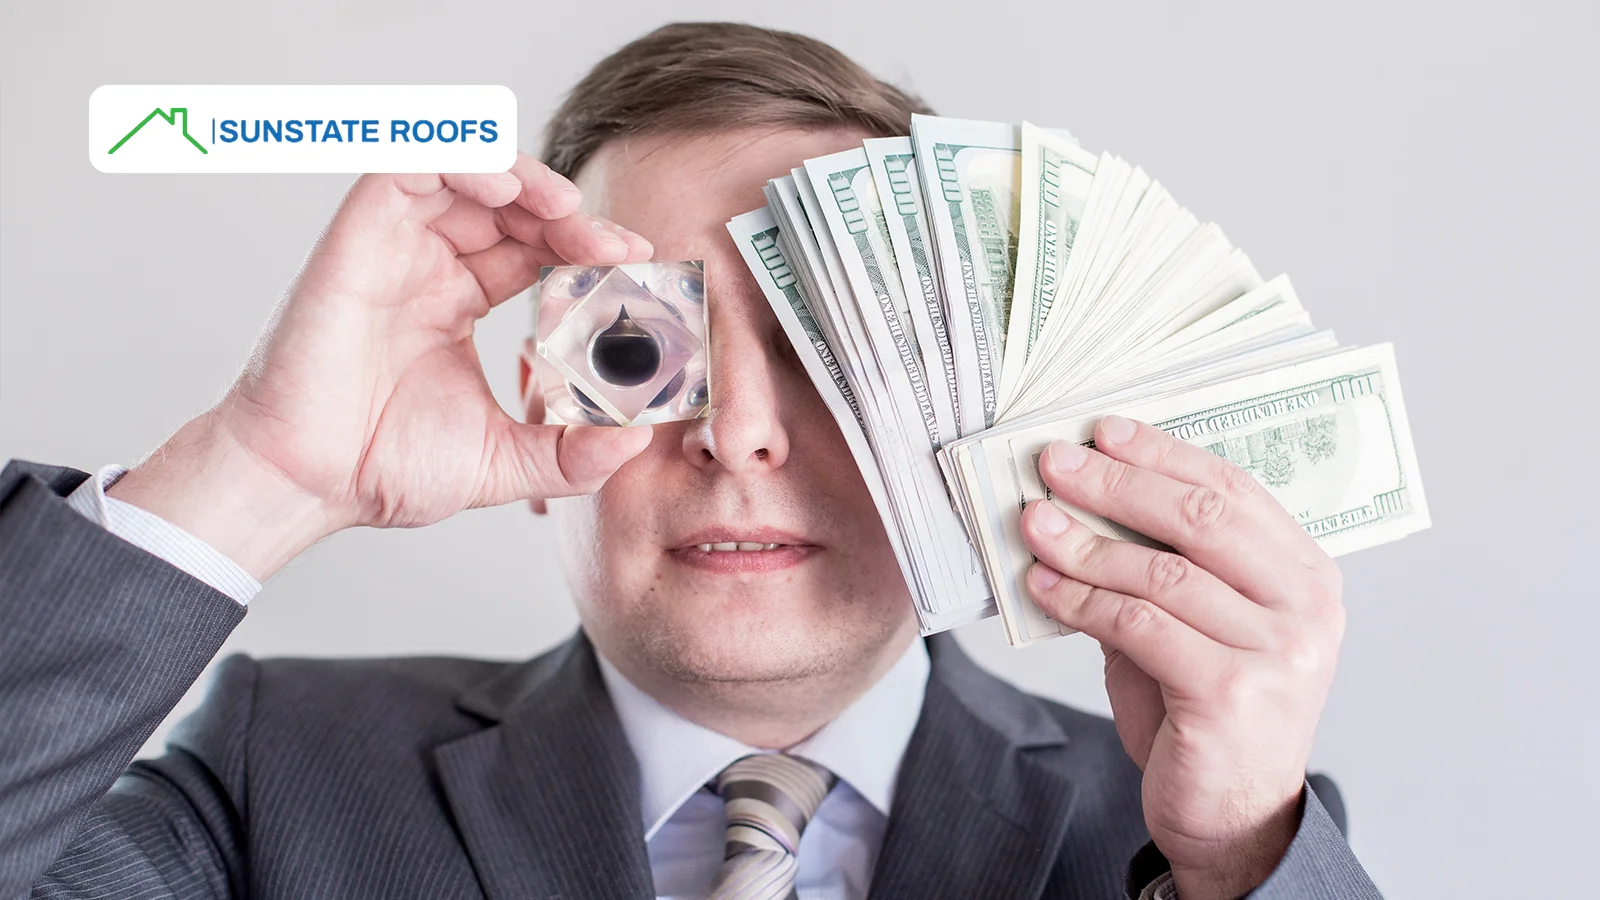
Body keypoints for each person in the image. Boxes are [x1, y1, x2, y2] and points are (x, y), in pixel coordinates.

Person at [0, 22, 1379, 900]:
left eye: (837, 353)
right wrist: (258, 471)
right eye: (634, 347)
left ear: (968, 407)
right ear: (536, 395)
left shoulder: (1169, 836)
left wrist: (1241, 862)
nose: (738, 433)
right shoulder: (275, 769)